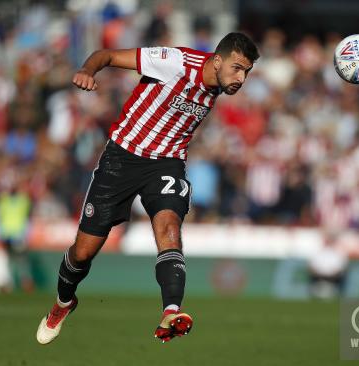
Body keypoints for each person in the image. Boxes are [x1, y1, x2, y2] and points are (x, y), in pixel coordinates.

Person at [36, 32, 259, 344]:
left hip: (166, 163)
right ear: (217, 60)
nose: (242, 78)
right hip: (122, 157)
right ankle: (63, 302)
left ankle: (171, 311)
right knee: (83, 252)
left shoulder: (218, 84)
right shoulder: (176, 61)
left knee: (169, 226)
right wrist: (88, 70)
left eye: (247, 72)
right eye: (237, 68)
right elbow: (107, 55)